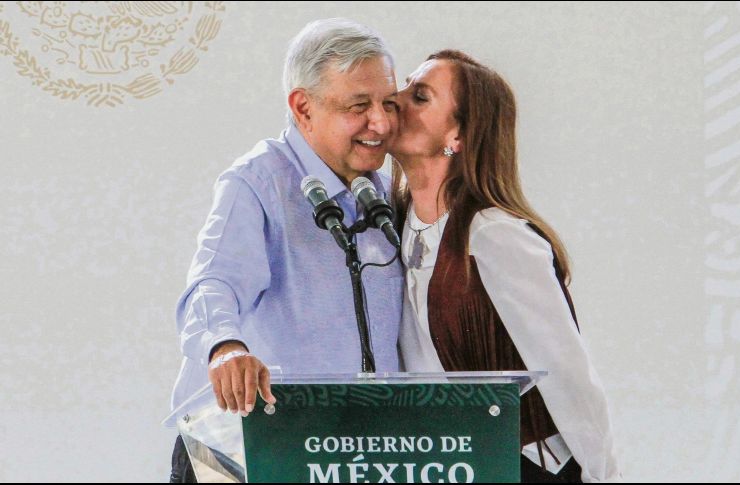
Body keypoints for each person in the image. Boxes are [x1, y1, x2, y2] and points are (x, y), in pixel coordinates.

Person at [167, 18, 404, 482]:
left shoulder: (383, 194)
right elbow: (213, 282)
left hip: (344, 453)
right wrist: (225, 347)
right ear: (303, 107)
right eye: (359, 106)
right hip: (242, 450)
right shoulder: (258, 182)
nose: (381, 123)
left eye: (389, 103)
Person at [390, 50, 622, 483]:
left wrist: (603, 476)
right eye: (403, 87)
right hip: (452, 466)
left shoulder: (494, 235)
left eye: (420, 96)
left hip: (522, 467)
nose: (395, 99)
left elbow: (567, 374)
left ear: (458, 135)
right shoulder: (393, 227)